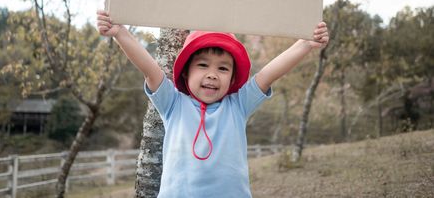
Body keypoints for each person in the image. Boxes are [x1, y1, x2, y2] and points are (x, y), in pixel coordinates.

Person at [96, 10, 328, 198]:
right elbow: (149, 69)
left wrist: (305, 44)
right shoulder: (173, 104)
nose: (213, 74)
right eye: (203, 65)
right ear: (186, 73)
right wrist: (120, 33)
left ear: (232, 77)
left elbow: (268, 75)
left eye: (223, 68)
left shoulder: (237, 106)